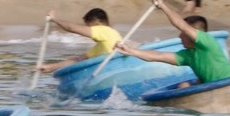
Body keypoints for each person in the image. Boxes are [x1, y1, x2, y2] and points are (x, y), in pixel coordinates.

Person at [44, 6, 182, 74]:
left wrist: (54, 19)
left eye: (88, 27)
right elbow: (77, 60)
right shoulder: (103, 44)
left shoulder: (105, 31)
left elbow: (71, 28)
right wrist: (50, 67)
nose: (88, 31)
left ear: (97, 23)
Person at [152, 0, 230, 84]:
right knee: (184, 85)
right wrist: (137, 52)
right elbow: (160, 55)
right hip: (211, 88)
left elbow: (182, 25)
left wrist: (162, 6)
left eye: (183, 33)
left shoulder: (207, 42)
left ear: (191, 34)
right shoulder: (188, 55)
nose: (179, 36)